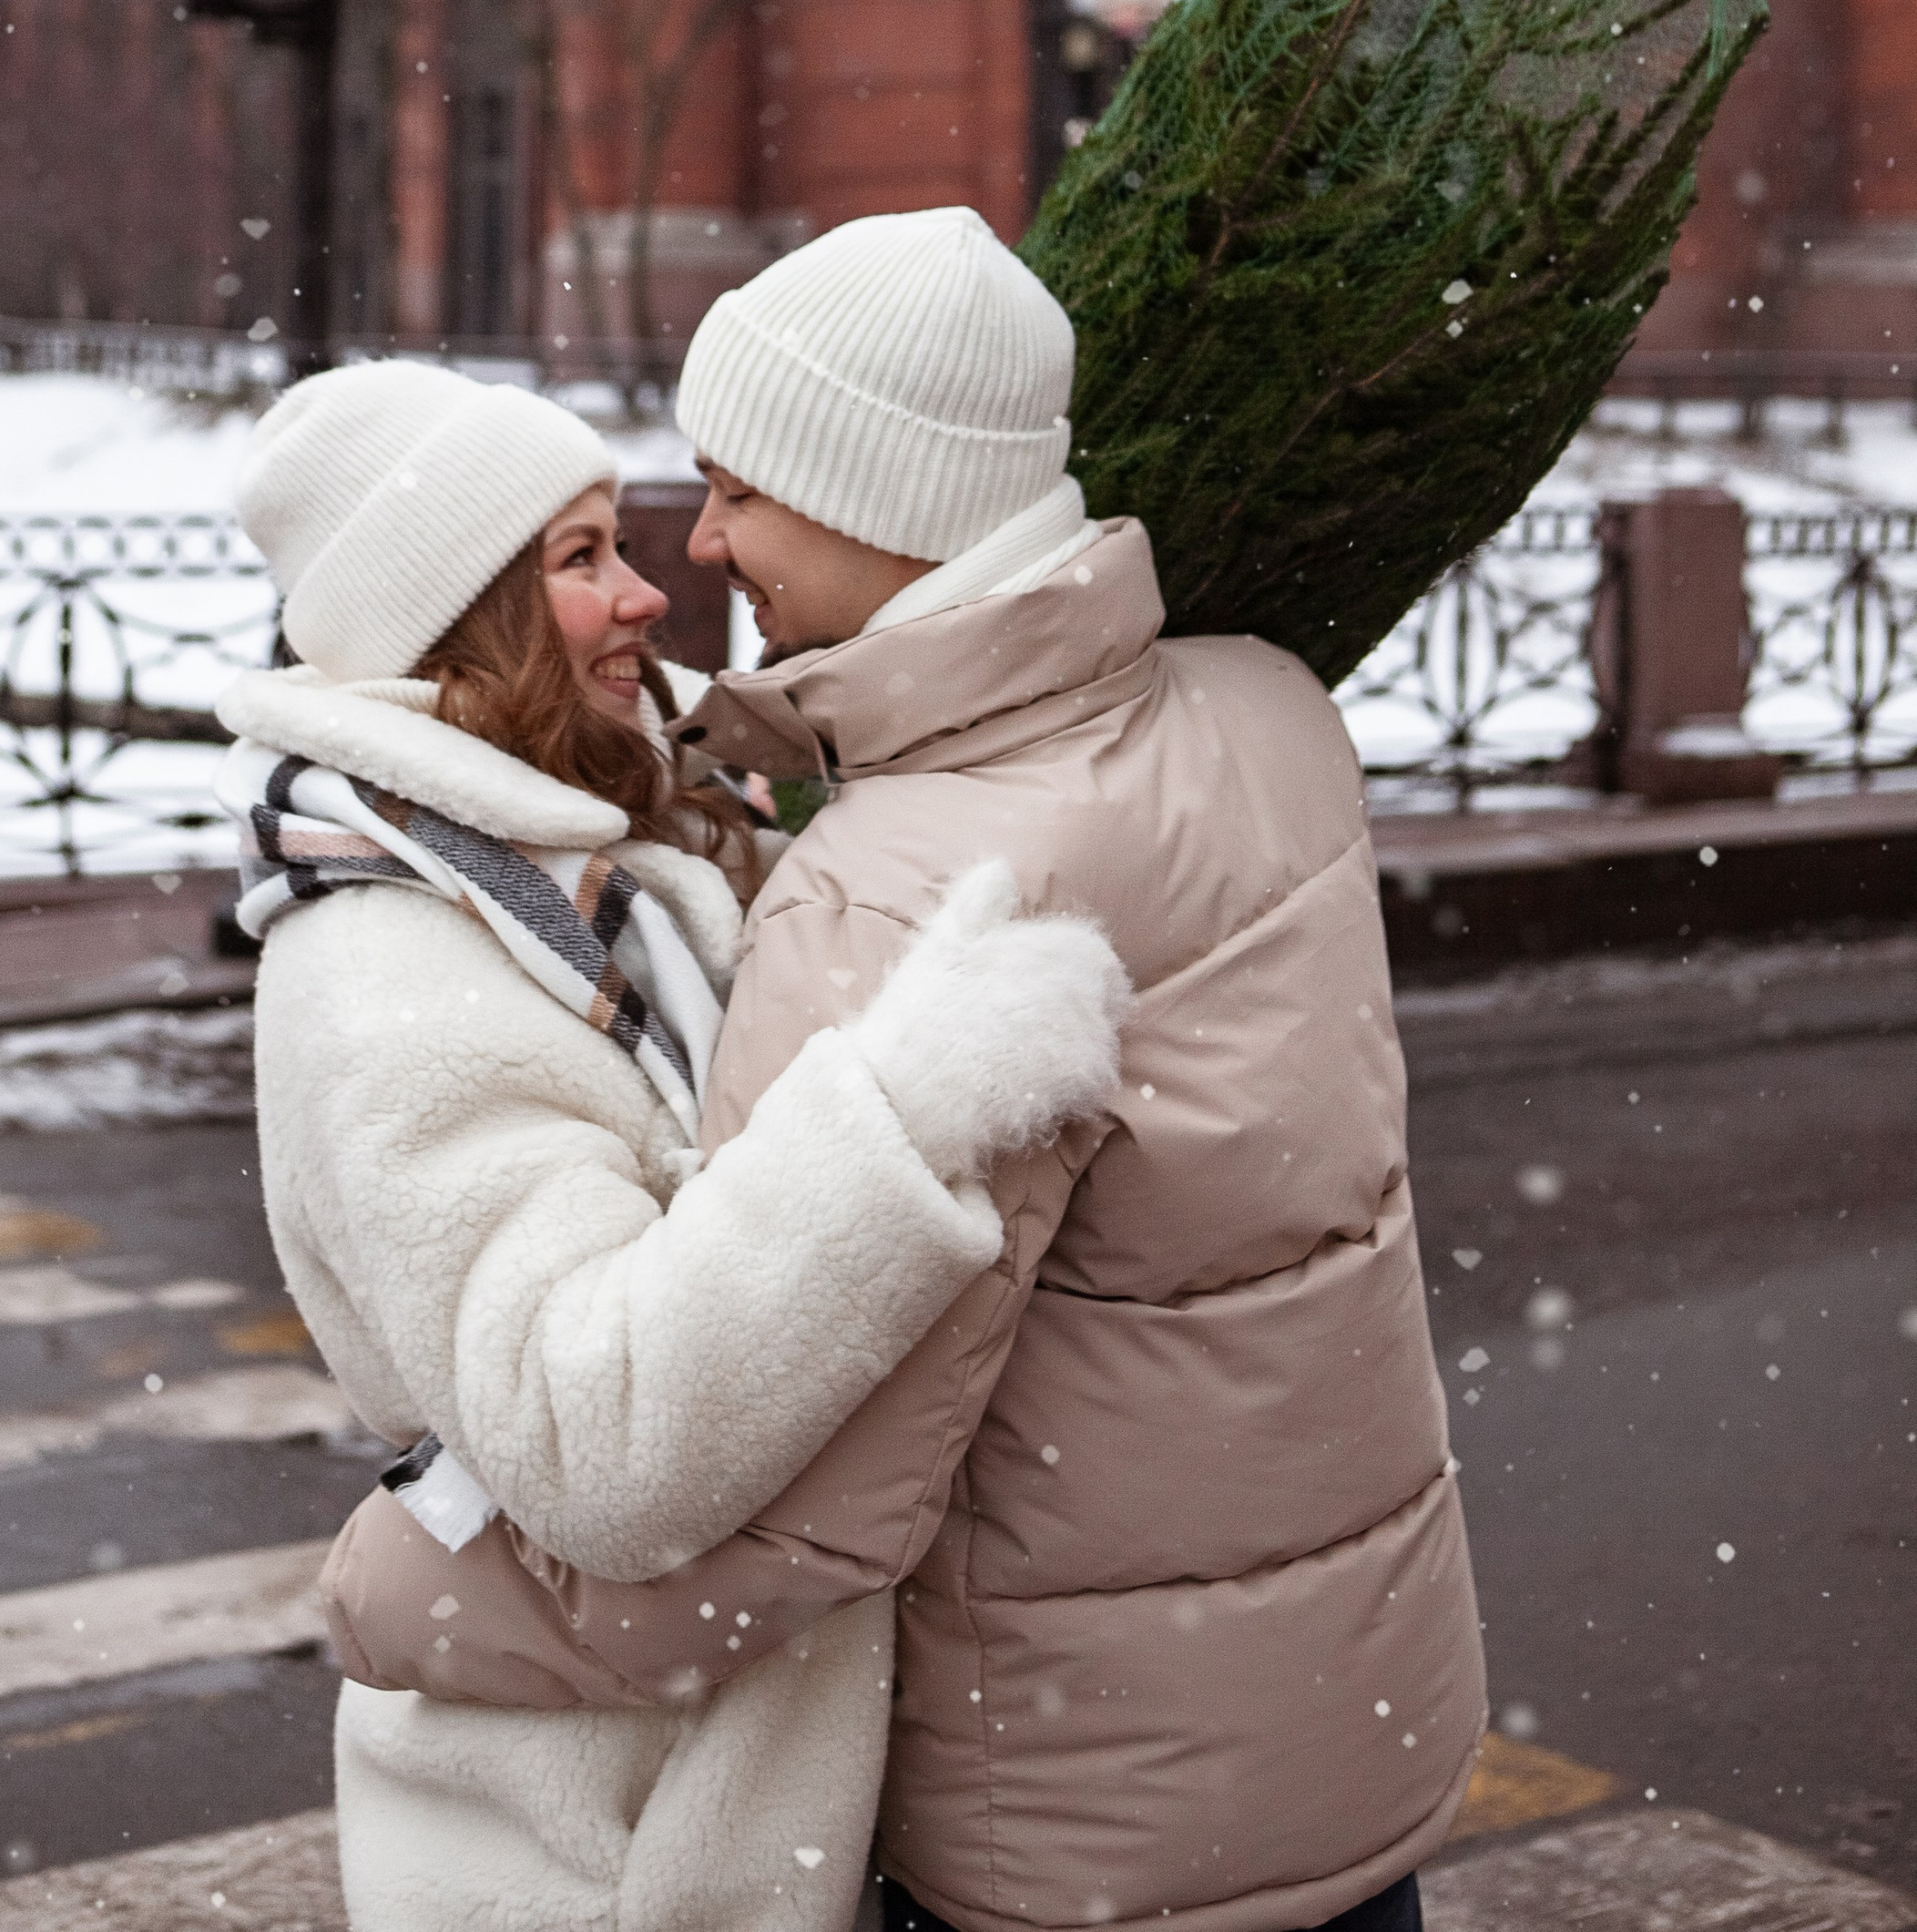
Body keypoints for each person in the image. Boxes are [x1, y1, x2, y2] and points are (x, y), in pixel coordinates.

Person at [324, 208, 1486, 1932]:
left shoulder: (915, 889)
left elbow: (793, 1514)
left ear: (872, 491)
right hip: (1346, 1726)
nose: (705, 545)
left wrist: (396, 1599)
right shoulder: (1267, 708)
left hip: (1073, 1817)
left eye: (737, 488)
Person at [220, 356, 1131, 1932]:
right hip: (594, 1845)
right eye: (582, 560)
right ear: (458, 621)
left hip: (720, 1775)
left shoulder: (599, 861)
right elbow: (595, 1438)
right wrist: (906, 1109)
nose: (650, 595)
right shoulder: (387, 973)